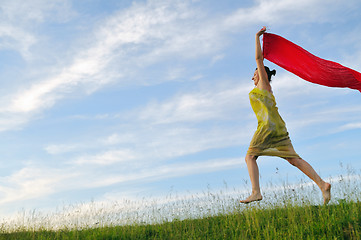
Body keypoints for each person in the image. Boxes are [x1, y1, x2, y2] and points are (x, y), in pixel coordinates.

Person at [240, 27, 331, 204]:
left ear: (262, 74)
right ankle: (322, 185)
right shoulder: (265, 88)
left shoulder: (263, 85)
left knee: (250, 157)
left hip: (267, 127)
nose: (253, 78)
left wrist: (257, 37)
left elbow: (259, 58)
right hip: (278, 127)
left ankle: (256, 192)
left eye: (255, 74)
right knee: (293, 159)